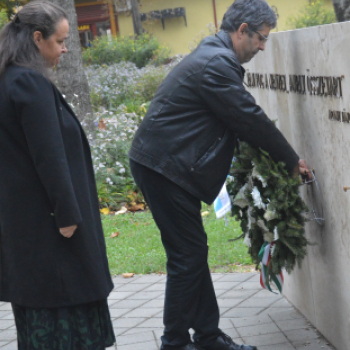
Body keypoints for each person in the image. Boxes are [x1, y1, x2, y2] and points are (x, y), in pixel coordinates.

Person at [129, 0, 311, 350]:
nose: (261, 47)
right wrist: (290, 159)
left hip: (164, 165)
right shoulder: (216, 63)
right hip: (162, 168)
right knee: (187, 256)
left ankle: (208, 337)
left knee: (191, 252)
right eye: (260, 38)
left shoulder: (215, 56)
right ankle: (175, 342)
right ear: (241, 30)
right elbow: (247, 116)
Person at [0, 2, 115, 349]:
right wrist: (67, 215)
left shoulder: (9, 79)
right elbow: (49, 156)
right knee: (66, 323)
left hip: (28, 227)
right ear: (37, 38)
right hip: (53, 229)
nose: (65, 48)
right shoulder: (29, 84)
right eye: (61, 41)